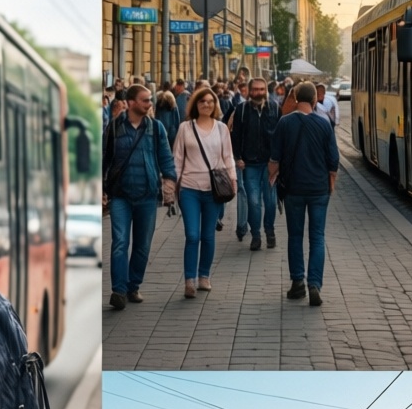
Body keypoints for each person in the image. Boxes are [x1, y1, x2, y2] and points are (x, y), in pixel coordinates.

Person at [102, 83, 176, 309]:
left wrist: (169, 183)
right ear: (131, 102)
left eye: (150, 100)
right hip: (121, 196)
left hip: (147, 195)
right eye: (145, 100)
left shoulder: (156, 128)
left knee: (142, 244)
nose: (150, 103)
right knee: (120, 242)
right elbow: (104, 159)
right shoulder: (114, 128)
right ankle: (119, 291)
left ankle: (133, 285)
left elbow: (165, 158)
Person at [269, 82, 339, 307]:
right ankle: (315, 284)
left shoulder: (284, 122)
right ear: (314, 100)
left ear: (295, 97)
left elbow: (275, 158)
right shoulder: (324, 123)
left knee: (295, 236)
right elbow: (333, 160)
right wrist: (331, 183)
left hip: (293, 189)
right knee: (317, 237)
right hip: (319, 189)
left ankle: (298, 282)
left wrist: (273, 177)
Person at [172, 85, 235, 299]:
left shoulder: (221, 128)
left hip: (213, 190)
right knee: (192, 235)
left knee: (208, 236)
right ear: (195, 105)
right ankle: (189, 280)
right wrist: (173, 186)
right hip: (189, 188)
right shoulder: (185, 128)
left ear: (215, 104)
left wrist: (233, 179)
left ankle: (204, 276)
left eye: (210, 101)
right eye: (202, 101)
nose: (206, 104)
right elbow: (177, 158)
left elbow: (228, 157)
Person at [226, 78, 279, 251]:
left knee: (270, 202)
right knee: (254, 201)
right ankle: (256, 235)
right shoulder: (241, 110)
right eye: (255, 89)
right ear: (249, 91)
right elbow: (235, 136)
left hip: (270, 164)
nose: (258, 92)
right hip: (250, 165)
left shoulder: (275, 108)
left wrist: (279, 160)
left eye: (261, 89)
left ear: (266, 90)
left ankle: (269, 231)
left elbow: (281, 136)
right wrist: (238, 157)